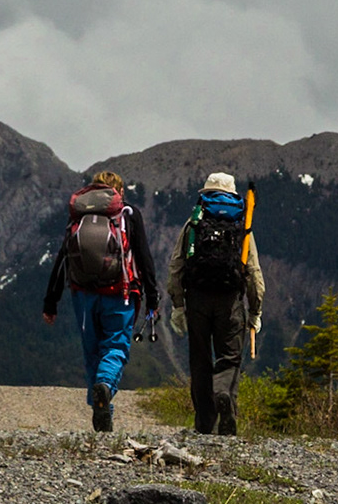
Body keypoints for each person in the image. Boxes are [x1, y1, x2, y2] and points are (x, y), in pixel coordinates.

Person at [42, 171, 158, 431]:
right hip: (120, 294)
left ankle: (101, 409)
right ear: (118, 192)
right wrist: (153, 298)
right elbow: (144, 256)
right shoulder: (128, 213)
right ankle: (105, 387)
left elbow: (62, 259)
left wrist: (51, 302)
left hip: (83, 295)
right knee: (115, 347)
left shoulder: (79, 215)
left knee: (92, 351)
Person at [167, 172, 265, 435]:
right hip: (231, 300)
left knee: (200, 360)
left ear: (205, 194)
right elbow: (253, 272)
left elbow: (176, 266)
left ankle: (204, 423)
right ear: (232, 194)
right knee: (230, 358)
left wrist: (178, 306)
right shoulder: (242, 223)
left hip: (197, 299)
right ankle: (225, 399)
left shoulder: (194, 222)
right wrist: (255, 311)